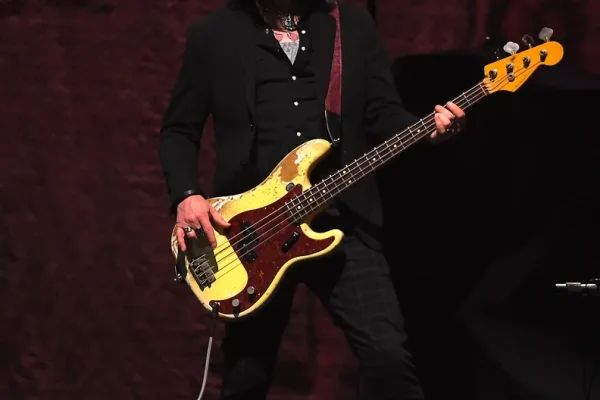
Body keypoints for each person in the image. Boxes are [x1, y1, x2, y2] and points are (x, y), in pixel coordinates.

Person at [158, 0, 466, 399]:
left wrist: (427, 129)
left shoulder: (350, 24)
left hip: (342, 216)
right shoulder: (213, 35)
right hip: (251, 233)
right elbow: (179, 130)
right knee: (246, 378)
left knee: (387, 357)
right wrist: (187, 195)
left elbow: (382, 112)